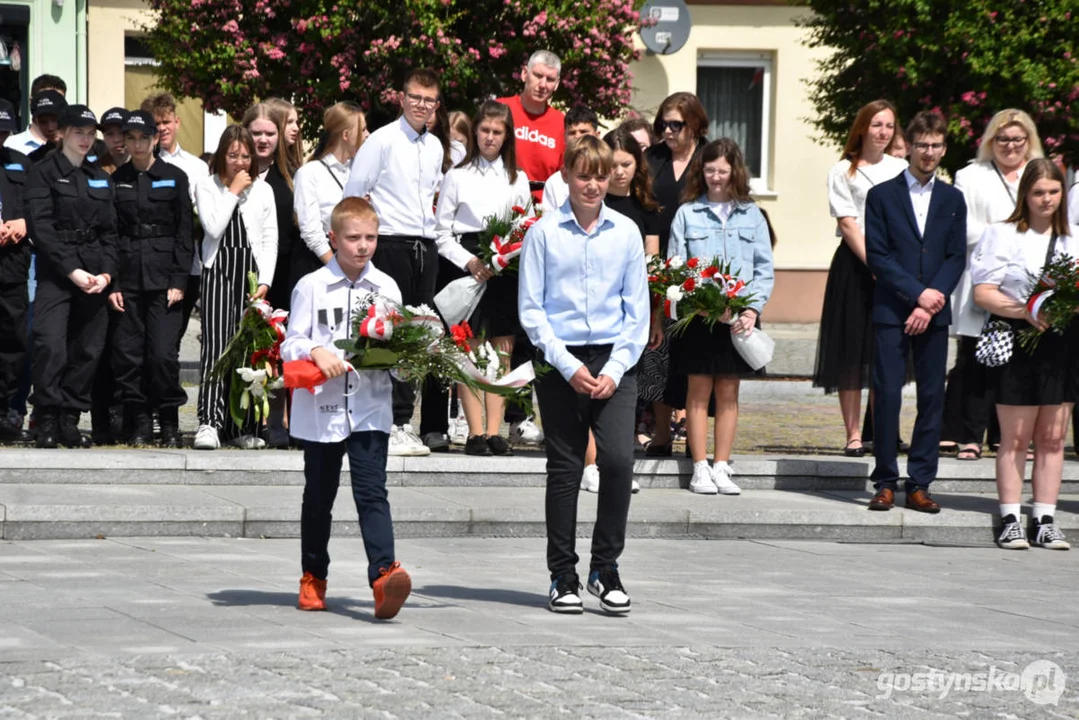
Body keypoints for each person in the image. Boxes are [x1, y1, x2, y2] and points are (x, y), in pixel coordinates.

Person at [519, 135, 649, 615]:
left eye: (601, 174)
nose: (593, 184)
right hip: (560, 361)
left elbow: (637, 313)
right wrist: (568, 365)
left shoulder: (626, 231)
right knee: (567, 467)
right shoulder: (544, 232)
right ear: (567, 178)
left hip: (615, 360)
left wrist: (614, 369)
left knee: (617, 460)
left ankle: (605, 567)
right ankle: (562, 574)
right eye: (584, 174)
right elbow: (532, 311)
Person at [283, 196, 412, 617]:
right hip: (323, 408)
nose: (362, 246)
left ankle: (383, 575)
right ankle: (313, 575)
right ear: (333, 238)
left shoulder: (386, 287)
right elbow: (291, 342)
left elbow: (399, 343)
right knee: (319, 495)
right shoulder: (312, 285)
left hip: (370, 406)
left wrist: (409, 361)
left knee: (373, 492)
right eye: (353, 238)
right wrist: (316, 349)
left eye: (370, 238)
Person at [864, 111, 966, 513]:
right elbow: (879, 256)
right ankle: (885, 480)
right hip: (893, 309)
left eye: (936, 145)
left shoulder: (953, 199)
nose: (929, 152)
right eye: (922, 144)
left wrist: (934, 297)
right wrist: (918, 295)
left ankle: (921, 481)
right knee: (888, 395)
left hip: (935, 313)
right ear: (907, 147)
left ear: (944, 149)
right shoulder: (882, 195)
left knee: (930, 397)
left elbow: (956, 256)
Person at [970, 159, 1074, 550]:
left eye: (1053, 191)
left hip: (1063, 342)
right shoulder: (1004, 234)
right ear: (1025, 195)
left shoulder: (1073, 238)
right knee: (1015, 437)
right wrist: (1029, 311)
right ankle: (1011, 517)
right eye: (1038, 192)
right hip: (1019, 339)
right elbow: (983, 292)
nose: (1046, 199)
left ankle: (1045, 517)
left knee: (1052, 436)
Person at [343, 68, 445, 457]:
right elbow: (355, 194)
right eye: (415, 97)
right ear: (402, 98)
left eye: (429, 99)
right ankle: (388, 419)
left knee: (419, 334)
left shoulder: (435, 146)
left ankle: (403, 420)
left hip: (425, 245)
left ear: (437, 105)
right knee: (389, 331)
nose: (422, 105)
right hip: (392, 244)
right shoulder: (382, 140)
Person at [666, 138, 774, 495]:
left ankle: (722, 465)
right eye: (710, 169)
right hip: (699, 317)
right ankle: (699, 467)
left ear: (734, 172)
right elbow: (676, 266)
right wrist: (695, 300)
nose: (716, 177)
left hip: (739, 319)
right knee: (697, 391)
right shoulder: (687, 214)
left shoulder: (752, 214)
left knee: (729, 391)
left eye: (722, 170)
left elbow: (763, 269)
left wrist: (751, 308)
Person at [941, 110, 1044, 461]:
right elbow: (960, 226)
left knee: (1018, 361)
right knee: (974, 359)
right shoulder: (971, 175)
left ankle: (1007, 436)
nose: (1010, 146)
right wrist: (1003, 234)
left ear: (1029, 141)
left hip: (1024, 280)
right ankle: (968, 435)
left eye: (1018, 139)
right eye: (1003, 139)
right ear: (990, 142)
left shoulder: (1039, 173)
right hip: (981, 275)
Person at [433, 100, 531, 456]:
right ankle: (474, 432)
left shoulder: (517, 179)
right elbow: (441, 234)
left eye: (497, 132)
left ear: (507, 137)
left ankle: (494, 431)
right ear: (475, 132)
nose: (490, 137)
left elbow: (525, 226)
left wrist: (510, 253)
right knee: (471, 350)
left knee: (501, 352)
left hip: (505, 264)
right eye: (485, 130)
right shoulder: (457, 175)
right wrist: (470, 261)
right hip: (468, 262)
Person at [812, 101, 907, 456]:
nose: (883, 132)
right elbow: (848, 223)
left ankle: (881, 429)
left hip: (895, 267)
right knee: (852, 352)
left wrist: (894, 267)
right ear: (863, 128)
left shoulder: (902, 168)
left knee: (886, 351)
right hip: (856, 266)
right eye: (877, 124)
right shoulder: (843, 171)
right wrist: (876, 264)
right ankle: (853, 433)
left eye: (889, 126)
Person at [24, 104, 118, 448]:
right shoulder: (43, 172)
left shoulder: (99, 177)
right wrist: (72, 270)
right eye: (79, 132)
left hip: (94, 274)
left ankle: (69, 419)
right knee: (50, 344)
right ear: (61, 133)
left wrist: (106, 274)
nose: (86, 139)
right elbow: (42, 227)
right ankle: (47, 418)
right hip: (57, 273)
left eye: (91, 133)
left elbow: (110, 232)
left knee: (88, 349)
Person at [577, 128, 659, 493]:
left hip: (630, 314)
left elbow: (652, 266)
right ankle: (590, 464)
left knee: (623, 392)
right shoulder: (593, 205)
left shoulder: (644, 208)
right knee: (586, 394)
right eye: (615, 164)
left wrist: (654, 317)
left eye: (627, 164)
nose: (620, 172)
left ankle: (616, 461)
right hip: (589, 316)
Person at [108, 110, 194, 447]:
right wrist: (112, 283)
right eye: (131, 138)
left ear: (155, 139)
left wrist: (179, 280)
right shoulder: (117, 180)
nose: (138, 144)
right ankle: (140, 422)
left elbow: (185, 234)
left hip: (164, 281)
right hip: (128, 279)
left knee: (162, 355)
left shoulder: (175, 177)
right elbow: (111, 235)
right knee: (130, 356)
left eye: (144, 137)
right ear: (125, 142)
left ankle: (169, 422)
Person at [192, 125, 278, 450]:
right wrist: (232, 191)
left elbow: (270, 239)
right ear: (222, 156)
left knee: (247, 350)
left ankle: (240, 424)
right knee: (216, 347)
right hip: (219, 271)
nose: (240, 163)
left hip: (251, 274)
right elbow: (212, 228)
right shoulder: (208, 186)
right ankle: (210, 422)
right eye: (233, 156)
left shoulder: (263, 190)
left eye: (245, 156)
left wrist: (266, 279)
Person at [643, 92, 709, 457]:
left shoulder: (711, 157)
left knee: (696, 354)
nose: (667, 131)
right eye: (662, 124)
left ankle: (697, 436)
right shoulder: (651, 159)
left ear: (695, 124)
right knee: (660, 352)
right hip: (659, 263)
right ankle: (663, 434)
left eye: (676, 124)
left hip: (700, 267)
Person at [141, 92, 210, 344]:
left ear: (177, 122)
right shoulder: (139, 163)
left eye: (166, 122)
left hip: (188, 263)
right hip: (150, 264)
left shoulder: (197, 167)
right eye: (156, 124)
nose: (162, 129)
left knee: (174, 336)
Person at [292, 102, 366, 288]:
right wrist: (338, 268)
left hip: (353, 265)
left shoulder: (358, 172)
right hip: (318, 265)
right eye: (363, 129)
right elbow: (310, 230)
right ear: (346, 135)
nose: (367, 135)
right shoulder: (310, 173)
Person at [0, 100, 31, 441]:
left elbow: (40, 207)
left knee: (13, 342)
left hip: (11, 267)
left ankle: (5, 411)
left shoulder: (21, 165)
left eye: (3, 132)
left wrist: (26, 222)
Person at [497, 50, 565, 204]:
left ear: (557, 84)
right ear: (524, 74)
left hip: (543, 208)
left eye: (550, 79)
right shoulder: (500, 108)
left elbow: (564, 177)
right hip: (500, 201)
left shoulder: (562, 123)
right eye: (538, 76)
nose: (542, 85)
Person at [541, 104, 600, 213]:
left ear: (597, 135)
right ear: (564, 138)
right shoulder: (554, 183)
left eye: (583, 132)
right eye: (572, 132)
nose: (577, 136)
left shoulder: (608, 175)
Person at [4, 90, 65, 156]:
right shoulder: (10, 146)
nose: (50, 128)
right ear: (35, 121)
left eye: (54, 120)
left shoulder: (76, 150)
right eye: (43, 122)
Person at [264, 97, 303, 174]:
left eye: (296, 122)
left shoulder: (293, 169)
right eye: (289, 122)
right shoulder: (259, 168)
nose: (296, 128)